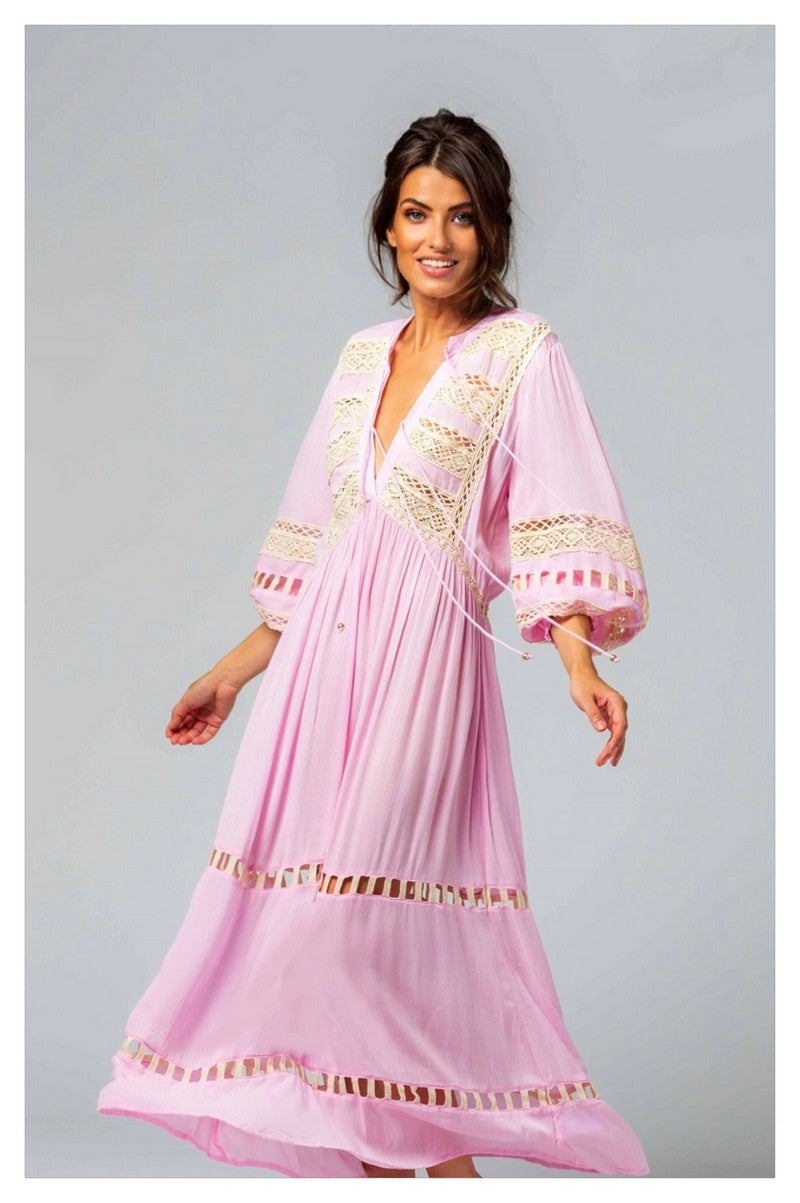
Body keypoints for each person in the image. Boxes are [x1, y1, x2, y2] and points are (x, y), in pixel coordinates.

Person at [96, 108, 650, 1179]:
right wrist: (230, 674)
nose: (437, 238)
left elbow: (552, 520)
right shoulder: (359, 359)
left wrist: (579, 663)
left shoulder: (520, 354)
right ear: (388, 225)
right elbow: (321, 543)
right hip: (319, 678)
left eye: (461, 216)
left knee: (355, 945)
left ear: (491, 231)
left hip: (424, 676)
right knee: (335, 998)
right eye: (416, 213)